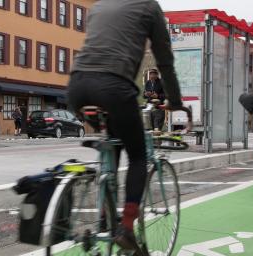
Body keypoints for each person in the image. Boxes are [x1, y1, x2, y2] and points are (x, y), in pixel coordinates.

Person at [66, 0, 184, 250]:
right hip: (114, 87)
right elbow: (164, 61)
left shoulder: (99, 6)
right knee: (138, 156)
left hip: (77, 86)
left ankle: (105, 215)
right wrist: (174, 100)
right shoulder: (149, 7)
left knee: (115, 141)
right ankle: (127, 228)